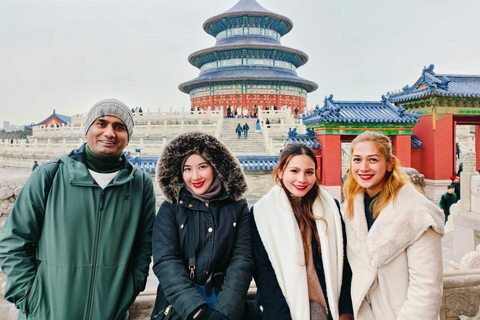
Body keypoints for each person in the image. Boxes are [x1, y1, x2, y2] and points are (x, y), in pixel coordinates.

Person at [0, 99, 156, 320]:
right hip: (47, 311)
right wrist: (29, 297)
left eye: (119, 127)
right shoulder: (50, 175)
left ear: (127, 136)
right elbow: (14, 240)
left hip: (109, 312)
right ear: (87, 131)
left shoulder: (139, 183)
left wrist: (131, 287)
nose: (109, 133)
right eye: (101, 123)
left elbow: (144, 245)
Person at [343, 131, 444, 320]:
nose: (363, 167)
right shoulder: (350, 209)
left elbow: (427, 287)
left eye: (373, 160)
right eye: (357, 160)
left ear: (389, 164)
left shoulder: (416, 212)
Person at [151, 132, 252, 320]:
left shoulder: (237, 206)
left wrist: (225, 312)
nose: (195, 176)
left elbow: (242, 260)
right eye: (187, 169)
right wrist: (197, 311)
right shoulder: (171, 208)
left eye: (202, 167)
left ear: (216, 167)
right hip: (180, 308)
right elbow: (166, 261)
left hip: (225, 303)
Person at [252, 143, 354, 320]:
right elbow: (263, 273)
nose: (302, 179)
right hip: (282, 309)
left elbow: (344, 261)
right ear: (281, 171)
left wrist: (345, 309)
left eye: (309, 172)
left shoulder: (331, 208)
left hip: (328, 307)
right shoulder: (261, 213)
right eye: (294, 171)